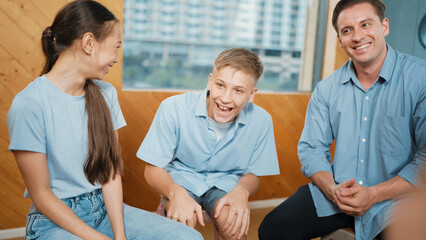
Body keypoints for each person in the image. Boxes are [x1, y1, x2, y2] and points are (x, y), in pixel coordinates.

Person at [7, 1, 203, 239]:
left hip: (103, 210)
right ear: (89, 43)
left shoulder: (105, 94)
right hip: (53, 221)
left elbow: (109, 174)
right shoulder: (29, 103)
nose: (117, 58)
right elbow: (42, 195)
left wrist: (119, 236)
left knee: (189, 237)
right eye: (116, 47)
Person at [258, 0, 426, 239]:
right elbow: (311, 148)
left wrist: (374, 194)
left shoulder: (420, 79)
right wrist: (332, 188)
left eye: (365, 24)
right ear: (340, 40)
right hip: (337, 195)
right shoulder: (326, 89)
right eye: (347, 30)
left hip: (395, 201)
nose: (357, 36)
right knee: (273, 229)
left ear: (384, 26)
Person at [137, 48, 280, 240]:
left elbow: (254, 173)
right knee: (177, 226)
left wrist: (242, 192)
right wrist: (174, 192)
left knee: (234, 225)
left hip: (227, 183)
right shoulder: (173, 108)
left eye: (238, 90)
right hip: (182, 179)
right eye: (220, 85)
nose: (225, 98)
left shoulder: (262, 120)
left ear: (252, 94)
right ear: (210, 81)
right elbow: (152, 168)